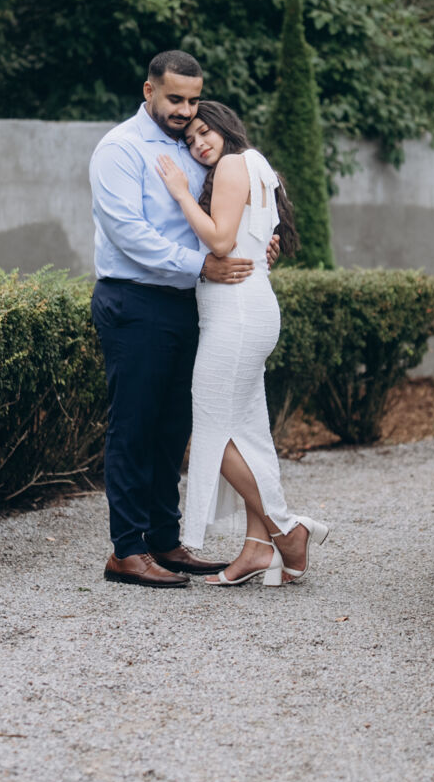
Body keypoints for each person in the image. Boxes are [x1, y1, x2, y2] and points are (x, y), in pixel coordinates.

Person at [89, 52, 274, 588]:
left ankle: (164, 542)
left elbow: (221, 217)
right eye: (175, 99)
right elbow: (129, 233)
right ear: (149, 90)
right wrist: (203, 264)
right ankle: (126, 550)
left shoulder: (193, 147)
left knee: (172, 427)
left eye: (193, 100)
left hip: (189, 302)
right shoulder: (120, 149)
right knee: (133, 426)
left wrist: (256, 245)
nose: (185, 110)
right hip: (134, 301)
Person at [154, 100, 329, 586]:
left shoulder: (233, 163)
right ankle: (256, 548)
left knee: (212, 429)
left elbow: (221, 242)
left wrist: (181, 192)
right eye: (191, 139)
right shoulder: (255, 166)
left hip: (236, 316)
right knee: (248, 433)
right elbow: (255, 240)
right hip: (247, 312)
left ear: (226, 128)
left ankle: (286, 530)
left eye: (204, 132)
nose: (198, 144)